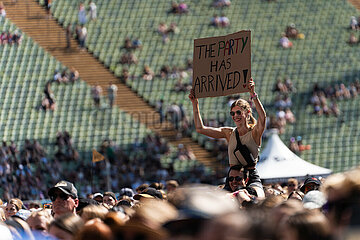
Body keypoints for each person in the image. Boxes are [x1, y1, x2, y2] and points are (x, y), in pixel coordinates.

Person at [189, 77, 266, 169]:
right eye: (232, 113)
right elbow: (200, 128)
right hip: (233, 178)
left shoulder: (254, 132)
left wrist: (253, 94)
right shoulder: (229, 133)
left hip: (250, 178)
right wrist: (195, 103)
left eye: (238, 112)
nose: (235, 116)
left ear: (248, 112)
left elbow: (263, 117)